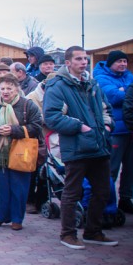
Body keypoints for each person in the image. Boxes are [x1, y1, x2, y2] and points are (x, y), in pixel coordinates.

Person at [43, 46, 117, 249]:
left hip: (99, 146)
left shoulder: (92, 83)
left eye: (85, 58)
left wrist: (107, 126)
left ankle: (93, 231)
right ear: (68, 62)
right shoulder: (58, 85)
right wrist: (80, 127)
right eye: (78, 59)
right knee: (72, 192)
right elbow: (52, 116)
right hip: (76, 147)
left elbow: (106, 109)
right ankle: (67, 234)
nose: (83, 62)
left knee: (102, 191)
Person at [0, 75, 43, 231]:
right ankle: (1, 216)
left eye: (9, 88)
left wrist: (13, 130)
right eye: (2, 88)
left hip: (21, 152)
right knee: (0, 187)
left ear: (17, 89)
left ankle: (17, 218)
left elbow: (36, 126)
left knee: (19, 187)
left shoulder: (27, 105)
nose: (5, 92)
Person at [93, 50, 133, 215]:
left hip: (132, 129)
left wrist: (123, 90)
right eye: (119, 61)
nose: (123, 64)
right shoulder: (101, 77)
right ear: (110, 63)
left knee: (132, 168)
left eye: (125, 61)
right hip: (115, 131)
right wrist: (129, 92)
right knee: (111, 168)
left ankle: (126, 199)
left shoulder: (129, 76)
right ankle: (107, 202)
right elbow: (113, 97)